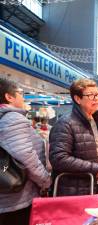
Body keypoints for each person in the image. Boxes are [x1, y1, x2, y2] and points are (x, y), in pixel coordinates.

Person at [49, 78, 98, 196]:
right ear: (77, 99)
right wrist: (93, 168)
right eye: (91, 95)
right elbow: (59, 158)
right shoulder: (65, 123)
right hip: (77, 191)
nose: (97, 99)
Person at [0, 78, 51, 225]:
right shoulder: (13, 118)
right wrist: (45, 180)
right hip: (16, 197)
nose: (23, 97)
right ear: (9, 97)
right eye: (20, 93)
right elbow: (26, 156)